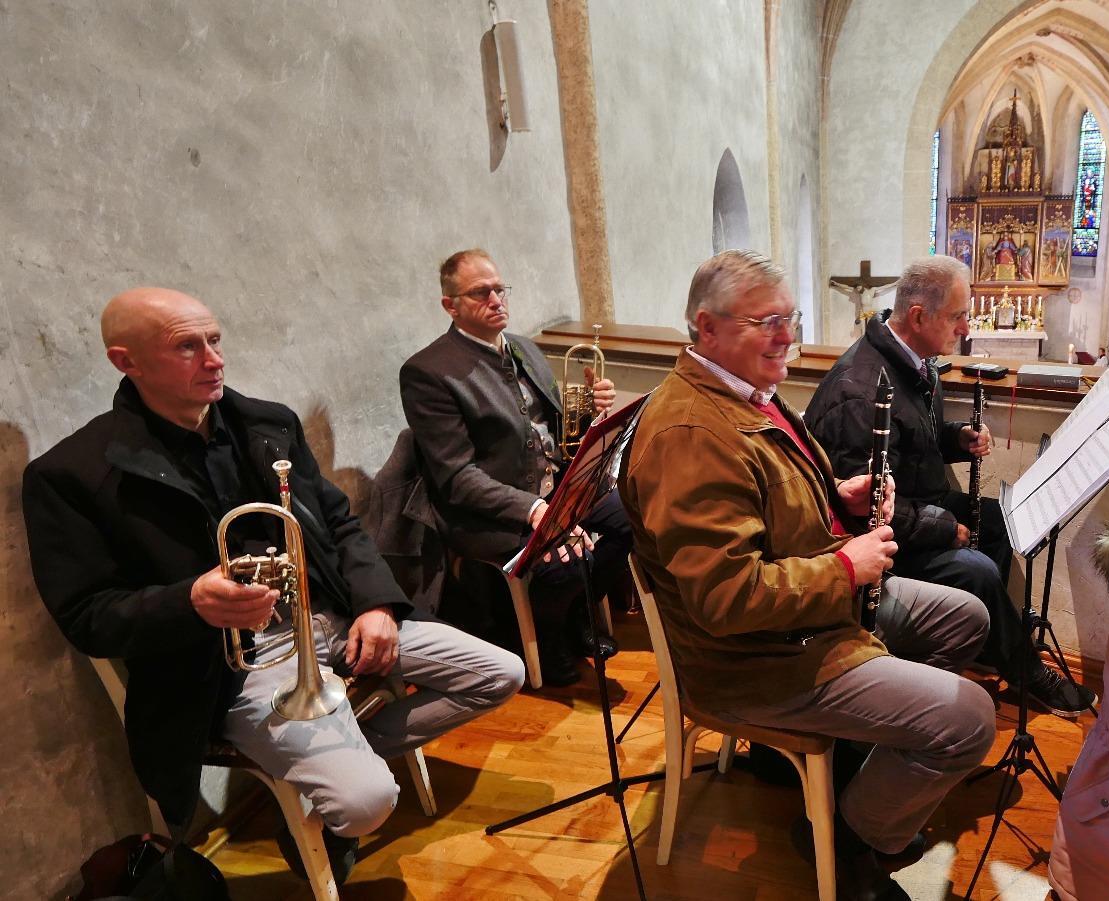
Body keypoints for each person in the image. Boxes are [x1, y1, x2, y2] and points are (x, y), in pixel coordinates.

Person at [23, 288, 524, 881]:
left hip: (332, 617)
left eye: (214, 339)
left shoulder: (266, 424)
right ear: (125, 361)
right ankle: (335, 783)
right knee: (366, 806)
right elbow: (87, 616)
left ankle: (337, 763)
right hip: (233, 665)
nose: (214, 359)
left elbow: (339, 524)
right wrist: (189, 601)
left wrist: (375, 605)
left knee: (501, 673)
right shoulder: (70, 474)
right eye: (187, 347)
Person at [621, 250, 996, 901]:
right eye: (766, 322)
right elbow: (727, 599)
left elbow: (770, 505)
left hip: (807, 619)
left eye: (790, 319)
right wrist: (845, 566)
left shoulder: (745, 394)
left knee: (967, 617)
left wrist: (840, 499)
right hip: (759, 660)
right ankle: (851, 842)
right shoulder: (690, 432)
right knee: (970, 718)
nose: (786, 337)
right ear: (707, 327)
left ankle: (862, 782)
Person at [806, 255, 1094, 717]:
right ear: (919, 316)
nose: (965, 328)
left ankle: (986, 644)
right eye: (957, 316)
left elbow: (911, 440)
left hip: (920, 504)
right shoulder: (858, 391)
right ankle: (1026, 673)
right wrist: (943, 528)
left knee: (1002, 521)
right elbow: (864, 505)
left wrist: (956, 437)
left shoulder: (915, 362)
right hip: (882, 539)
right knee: (976, 570)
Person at [399, 248, 633, 687]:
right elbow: (457, 478)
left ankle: (578, 611)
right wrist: (533, 509)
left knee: (634, 518)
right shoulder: (428, 372)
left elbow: (548, 432)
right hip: (487, 510)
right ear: (450, 305)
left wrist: (589, 409)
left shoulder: (524, 348)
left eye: (499, 289)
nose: (496, 300)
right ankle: (545, 637)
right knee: (565, 561)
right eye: (480, 293)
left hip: (553, 487)